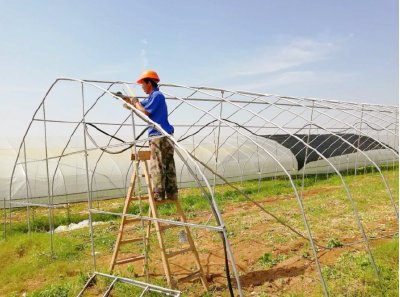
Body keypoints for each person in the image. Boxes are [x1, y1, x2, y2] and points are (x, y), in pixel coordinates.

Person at [126, 70, 178, 201]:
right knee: (168, 164)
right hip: (167, 135)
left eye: (142, 84)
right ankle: (171, 193)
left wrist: (135, 102)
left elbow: (144, 112)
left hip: (158, 137)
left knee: (158, 165)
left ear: (149, 83)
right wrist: (130, 101)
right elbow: (139, 104)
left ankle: (158, 196)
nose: (142, 87)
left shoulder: (157, 96)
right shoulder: (153, 98)